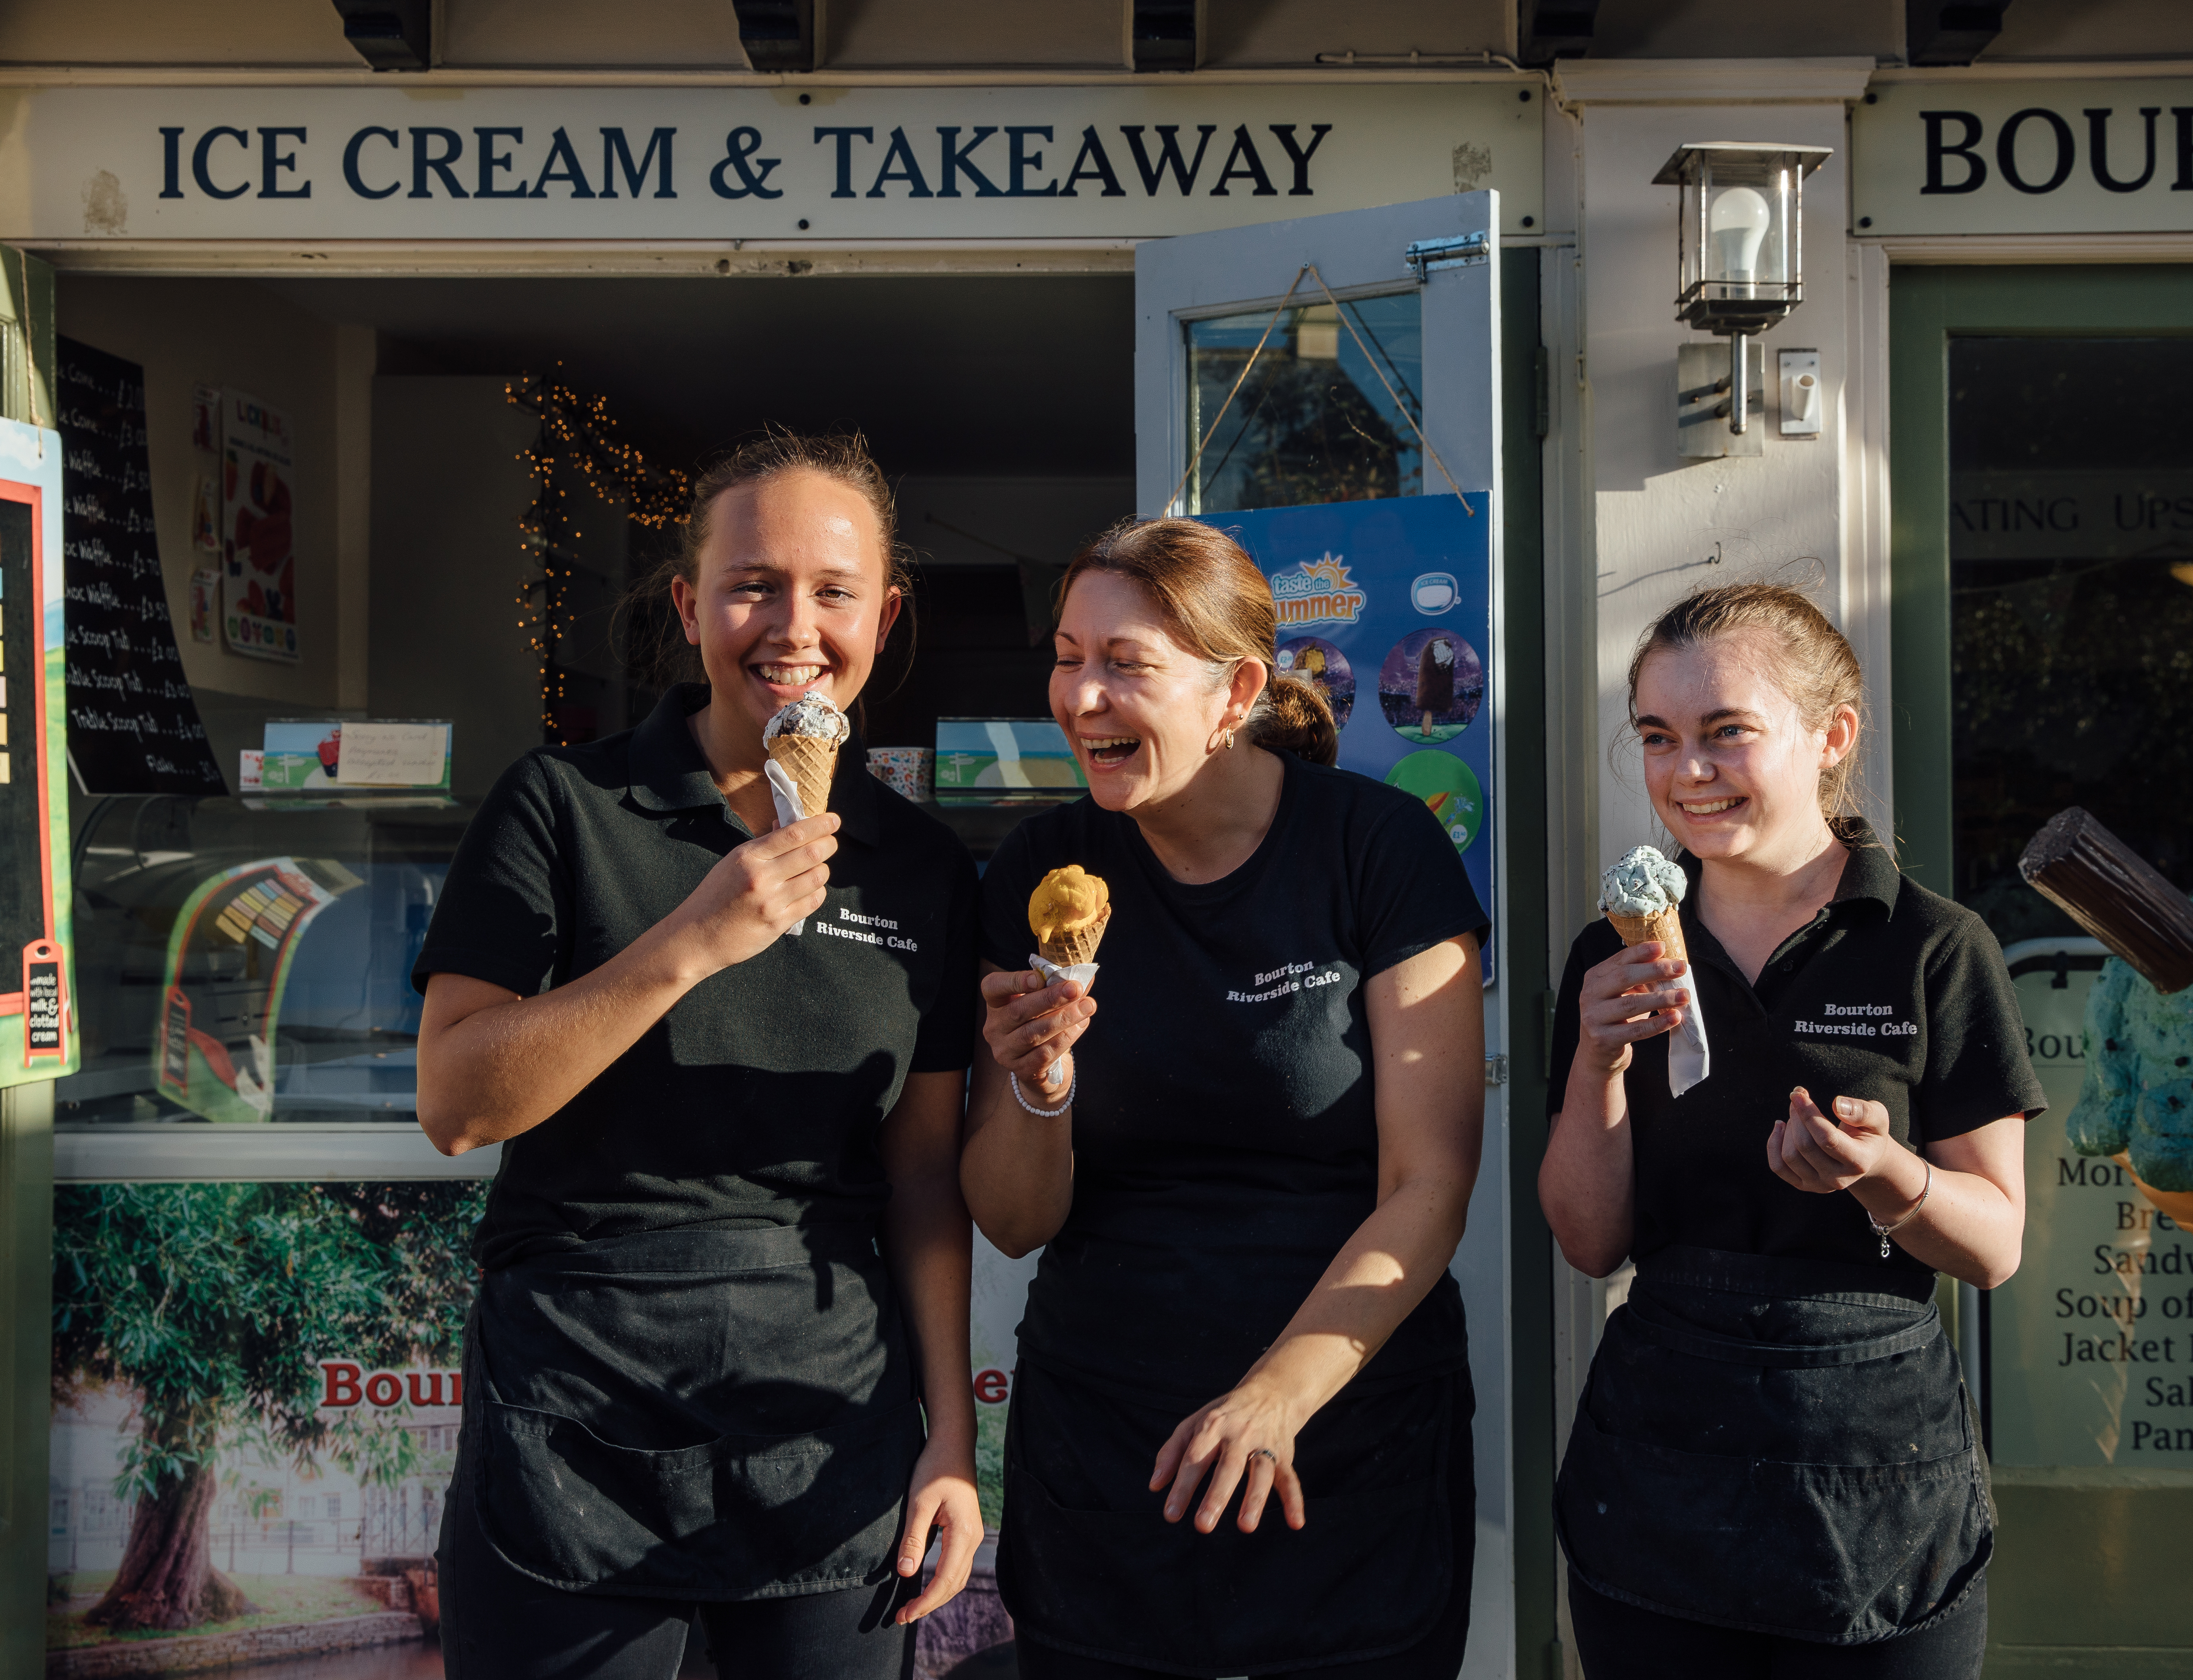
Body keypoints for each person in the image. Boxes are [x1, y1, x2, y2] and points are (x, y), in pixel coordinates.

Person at [415, 432, 983, 1680]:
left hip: (828, 1429)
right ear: (687, 604)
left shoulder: (921, 865)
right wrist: (690, 940)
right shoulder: (563, 806)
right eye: (751, 584)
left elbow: (926, 1180)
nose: (793, 624)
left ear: (884, 615)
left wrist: (952, 1438)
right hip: (576, 1415)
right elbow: (456, 1104)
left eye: (833, 590)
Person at [965, 518, 1488, 1680]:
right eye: (1066, 655)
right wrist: (1040, 1084)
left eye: (1126, 664)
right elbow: (1011, 1217)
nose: (1082, 696)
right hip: (1107, 1442)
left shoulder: (1377, 847)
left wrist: (1270, 1396)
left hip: (1340, 1430)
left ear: (1235, 688)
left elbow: (1430, 1183)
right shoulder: (1039, 871)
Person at [1540, 583, 2043, 1680]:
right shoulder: (1612, 953)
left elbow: (1995, 1245)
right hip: (1662, 1449)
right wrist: (1595, 1060)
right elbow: (1587, 1240)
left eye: (1727, 732)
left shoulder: (1931, 948)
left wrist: (1887, 1178)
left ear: (1830, 737)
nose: (1686, 771)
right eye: (1658, 737)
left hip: (1874, 1464)